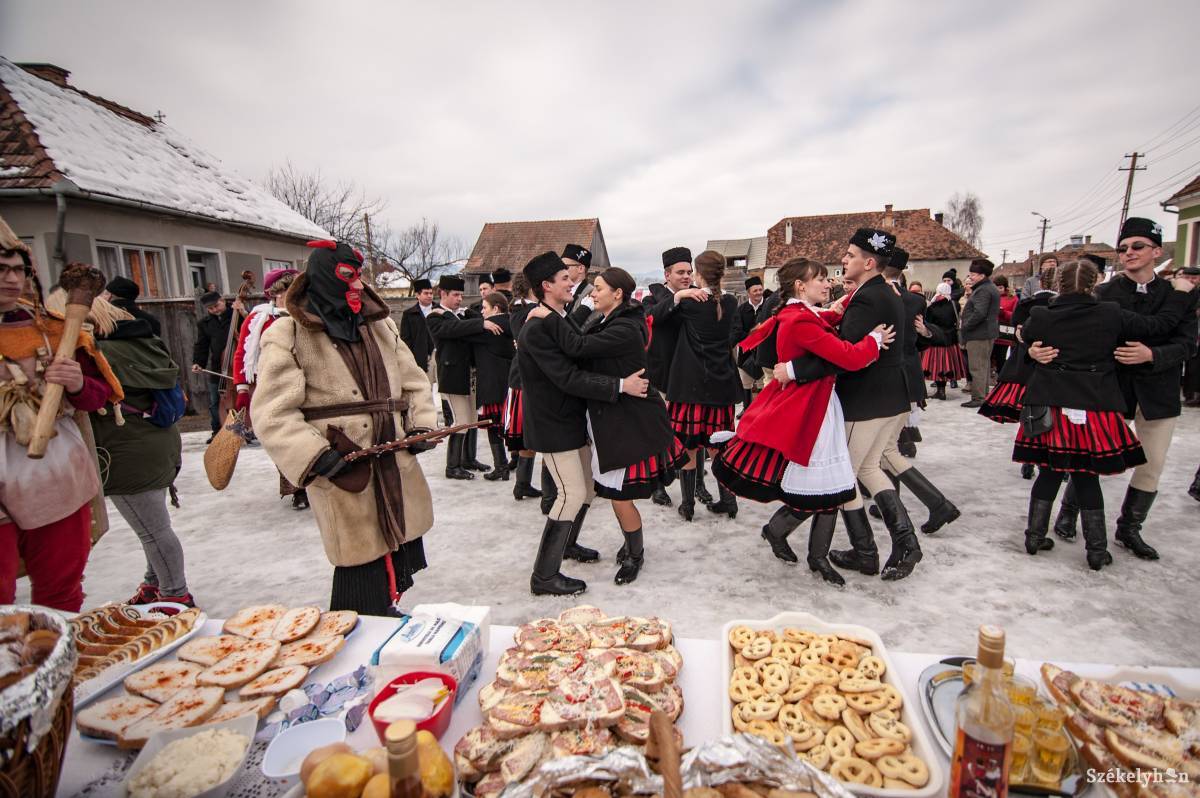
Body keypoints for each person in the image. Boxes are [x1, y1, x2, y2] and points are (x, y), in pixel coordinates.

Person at [253, 240, 438, 615]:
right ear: (323, 277)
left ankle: (386, 610)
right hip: (342, 462)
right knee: (358, 558)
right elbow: (272, 412)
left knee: (397, 541)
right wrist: (314, 455)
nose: (357, 285)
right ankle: (357, 624)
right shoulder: (287, 334)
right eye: (347, 277)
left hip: (392, 456)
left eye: (359, 276)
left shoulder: (380, 325)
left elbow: (413, 379)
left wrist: (420, 425)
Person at [715, 258, 892, 585]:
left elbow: (827, 315)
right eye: (820, 279)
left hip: (819, 406)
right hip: (811, 409)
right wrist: (874, 341)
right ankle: (811, 553)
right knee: (824, 486)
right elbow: (848, 357)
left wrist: (845, 302)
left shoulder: (801, 313)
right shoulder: (799, 321)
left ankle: (803, 546)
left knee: (828, 486)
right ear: (800, 286)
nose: (828, 284)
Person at [1012, 258, 1193, 570]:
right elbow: (1160, 325)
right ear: (1094, 284)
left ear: (1057, 285)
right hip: (1094, 406)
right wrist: (1181, 295)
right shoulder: (1110, 313)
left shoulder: (1042, 314)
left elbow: (1024, 335)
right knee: (1086, 474)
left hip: (1052, 405)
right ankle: (1096, 550)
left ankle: (1034, 536)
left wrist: (1031, 347)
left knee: (1050, 471)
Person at [1048, 218, 1199, 557]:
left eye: (1137, 246)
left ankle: (1129, 528)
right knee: (1091, 457)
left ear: (1156, 251)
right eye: (1123, 248)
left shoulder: (1178, 294)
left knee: (1152, 463)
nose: (1128, 253)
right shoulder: (1104, 294)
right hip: (1111, 390)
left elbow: (1189, 343)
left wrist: (1153, 354)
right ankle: (1069, 513)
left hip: (1159, 392)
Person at [528, 267, 682, 585]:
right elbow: (581, 343)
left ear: (618, 294)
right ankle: (622, 548)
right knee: (608, 493)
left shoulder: (623, 327)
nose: (591, 293)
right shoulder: (610, 320)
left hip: (629, 425)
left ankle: (635, 556)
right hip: (616, 423)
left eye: (597, 288)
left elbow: (579, 348)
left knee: (619, 495)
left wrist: (548, 315)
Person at [0, 234, 125, 611]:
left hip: (52, 471)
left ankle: (58, 660)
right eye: (1, 270)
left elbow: (100, 396)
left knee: (60, 585)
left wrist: (77, 383)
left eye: (18, 270)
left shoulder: (54, 330)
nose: (11, 279)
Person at [517, 252, 648, 595]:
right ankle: (544, 576)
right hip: (552, 424)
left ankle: (568, 545)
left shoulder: (556, 317)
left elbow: (578, 344)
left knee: (586, 490)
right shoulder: (536, 327)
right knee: (570, 493)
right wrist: (620, 386)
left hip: (571, 420)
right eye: (563, 278)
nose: (572, 281)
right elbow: (568, 377)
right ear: (545, 286)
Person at [75, 292, 194, 607]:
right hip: (159, 441)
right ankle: (155, 584)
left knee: (153, 531)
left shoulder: (94, 353)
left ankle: (175, 596)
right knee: (153, 527)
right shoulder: (143, 343)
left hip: (127, 451)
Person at [819, 229, 920, 582]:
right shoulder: (883, 293)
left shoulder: (867, 299)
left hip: (866, 399)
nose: (843, 260)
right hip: (890, 395)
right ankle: (904, 544)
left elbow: (844, 353)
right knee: (868, 469)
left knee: (844, 476)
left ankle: (867, 552)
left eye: (849, 255)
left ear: (869, 262)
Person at [664, 251, 741, 520]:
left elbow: (655, 315)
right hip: (721, 386)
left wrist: (678, 296)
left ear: (698, 274)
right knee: (718, 446)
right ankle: (728, 501)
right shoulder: (730, 302)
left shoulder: (691, 302)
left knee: (689, 446)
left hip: (691, 387)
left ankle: (687, 506)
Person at [231, 267, 308, 509]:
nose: (290, 294)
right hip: (271, 385)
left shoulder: (307, 314)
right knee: (284, 437)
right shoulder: (259, 319)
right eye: (285, 290)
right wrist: (242, 388)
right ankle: (296, 488)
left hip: (307, 383)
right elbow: (243, 353)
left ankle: (311, 480)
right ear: (274, 293)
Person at [979, 264, 1057, 480]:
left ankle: (1029, 459)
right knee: (1053, 416)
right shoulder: (1060, 307)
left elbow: (1017, 331)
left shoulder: (1026, 305)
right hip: (1052, 368)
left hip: (1025, 367)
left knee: (1030, 414)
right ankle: (1049, 459)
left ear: (1039, 283)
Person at [427, 275, 499, 479]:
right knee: (461, 420)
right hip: (452, 375)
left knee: (473, 418)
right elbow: (451, 330)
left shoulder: (466, 314)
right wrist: (477, 325)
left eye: (461, 295)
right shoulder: (435, 316)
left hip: (471, 374)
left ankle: (468, 458)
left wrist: (474, 323)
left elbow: (471, 328)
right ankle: (452, 466)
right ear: (443, 294)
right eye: (456, 295)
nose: (460, 299)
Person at [643, 247, 694, 508]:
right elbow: (651, 317)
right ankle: (658, 485)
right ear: (667, 274)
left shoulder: (697, 296)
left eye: (689, 272)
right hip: (661, 375)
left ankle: (696, 485)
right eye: (680, 272)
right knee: (661, 432)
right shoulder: (652, 298)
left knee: (692, 432)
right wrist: (678, 299)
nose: (686, 277)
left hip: (689, 376)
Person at [504, 273, 543, 502]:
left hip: (524, 377)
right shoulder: (521, 311)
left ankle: (523, 484)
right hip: (522, 380)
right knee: (527, 434)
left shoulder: (526, 309)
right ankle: (522, 483)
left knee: (528, 435)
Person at [472, 292, 516, 481]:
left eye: (485, 308)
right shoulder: (513, 323)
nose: (481, 311)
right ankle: (516, 463)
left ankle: (501, 467)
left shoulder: (490, 328)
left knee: (493, 427)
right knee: (513, 426)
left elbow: (466, 319)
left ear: (496, 309)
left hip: (492, 383)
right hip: (510, 383)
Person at [191, 290, 234, 442]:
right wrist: (198, 362)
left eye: (217, 305)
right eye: (211, 309)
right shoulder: (205, 323)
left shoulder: (237, 315)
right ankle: (217, 430)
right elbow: (202, 345)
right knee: (216, 401)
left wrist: (242, 311)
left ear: (223, 300)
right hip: (217, 367)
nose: (215, 310)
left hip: (237, 367)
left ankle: (245, 429)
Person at [959, 258, 1001, 408]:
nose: (970, 277)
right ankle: (982, 395)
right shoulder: (987, 288)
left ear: (982, 276)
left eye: (973, 274)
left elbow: (979, 313)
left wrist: (965, 326)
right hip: (984, 333)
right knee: (983, 365)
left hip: (979, 334)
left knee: (977, 367)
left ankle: (978, 397)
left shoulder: (983, 290)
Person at [731, 276, 770, 416]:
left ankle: (761, 411)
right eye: (755, 290)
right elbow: (737, 330)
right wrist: (751, 334)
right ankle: (747, 410)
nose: (759, 293)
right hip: (746, 351)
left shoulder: (768, 307)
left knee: (761, 383)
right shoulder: (741, 309)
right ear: (748, 292)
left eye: (760, 289)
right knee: (746, 383)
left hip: (764, 351)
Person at [921, 282, 965, 400]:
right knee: (947, 364)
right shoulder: (955, 304)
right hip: (951, 339)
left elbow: (928, 323)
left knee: (937, 365)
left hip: (937, 339)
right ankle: (942, 389)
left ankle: (940, 391)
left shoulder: (932, 307)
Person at [399, 277, 436, 379]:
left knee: (443, 392)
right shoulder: (409, 314)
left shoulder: (439, 310)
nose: (429, 296)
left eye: (431, 293)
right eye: (426, 293)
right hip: (420, 360)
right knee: (425, 391)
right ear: (417, 295)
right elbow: (406, 340)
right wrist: (410, 361)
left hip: (440, 357)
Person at [990, 275, 1019, 378]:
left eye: (1000, 287)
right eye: (995, 287)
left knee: (1001, 357)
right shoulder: (991, 296)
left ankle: (1001, 377)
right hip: (991, 332)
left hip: (1004, 333)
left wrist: (1003, 312)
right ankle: (992, 375)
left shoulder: (1013, 298)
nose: (998, 290)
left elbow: (1015, 315)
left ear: (1006, 287)